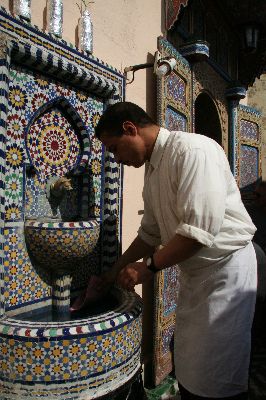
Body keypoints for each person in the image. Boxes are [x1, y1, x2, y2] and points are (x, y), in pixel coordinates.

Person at [75, 101, 257, 399]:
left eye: (114, 148)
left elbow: (199, 233)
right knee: (189, 361)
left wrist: (147, 267)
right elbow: (150, 234)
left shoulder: (193, 151)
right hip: (197, 275)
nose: (116, 158)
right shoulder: (153, 170)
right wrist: (112, 273)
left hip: (226, 272)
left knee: (217, 370)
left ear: (130, 129)